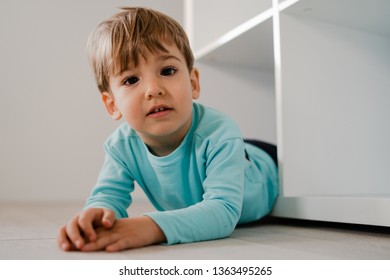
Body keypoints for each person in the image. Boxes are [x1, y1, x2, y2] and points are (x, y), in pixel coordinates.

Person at [57, 7, 278, 252]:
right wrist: (96, 217)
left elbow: (223, 212)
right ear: (112, 105)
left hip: (268, 163)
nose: (153, 89)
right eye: (131, 80)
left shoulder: (220, 133)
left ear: (193, 83)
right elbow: (108, 196)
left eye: (167, 71)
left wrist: (148, 227)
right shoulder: (121, 146)